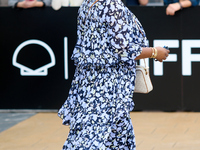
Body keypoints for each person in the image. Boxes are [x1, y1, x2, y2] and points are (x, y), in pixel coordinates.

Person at [58, 0, 169, 149]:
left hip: (89, 80)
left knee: (115, 135)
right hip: (109, 85)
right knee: (93, 138)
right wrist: (155, 52)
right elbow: (123, 50)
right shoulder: (111, 5)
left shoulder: (88, 3)